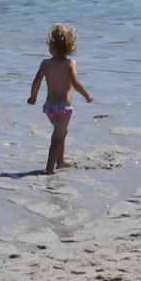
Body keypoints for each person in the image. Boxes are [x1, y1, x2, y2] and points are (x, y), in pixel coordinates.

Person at [28, 22, 93, 174]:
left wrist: (33, 97)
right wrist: (87, 95)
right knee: (57, 137)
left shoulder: (45, 64)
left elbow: (36, 82)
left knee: (61, 132)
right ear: (71, 45)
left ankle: (61, 161)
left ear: (51, 44)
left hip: (49, 108)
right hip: (63, 108)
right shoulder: (70, 64)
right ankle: (49, 170)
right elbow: (75, 83)